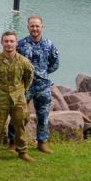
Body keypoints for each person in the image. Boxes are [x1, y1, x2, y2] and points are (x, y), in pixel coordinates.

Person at [0, 31, 35, 164]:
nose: (9, 44)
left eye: (12, 41)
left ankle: (22, 151)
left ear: (16, 43)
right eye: (6, 41)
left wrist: (21, 90)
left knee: (20, 124)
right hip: (0, 98)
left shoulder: (24, 62)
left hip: (18, 98)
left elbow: (28, 78)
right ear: (2, 43)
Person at [16, 15, 60, 154]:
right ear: (28, 27)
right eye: (32, 26)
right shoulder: (21, 44)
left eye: (37, 26)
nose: (35, 28)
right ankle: (13, 142)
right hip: (25, 86)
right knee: (18, 115)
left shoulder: (49, 44)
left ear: (42, 27)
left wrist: (43, 73)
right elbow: (15, 63)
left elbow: (55, 63)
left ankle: (42, 142)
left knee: (43, 116)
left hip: (43, 86)